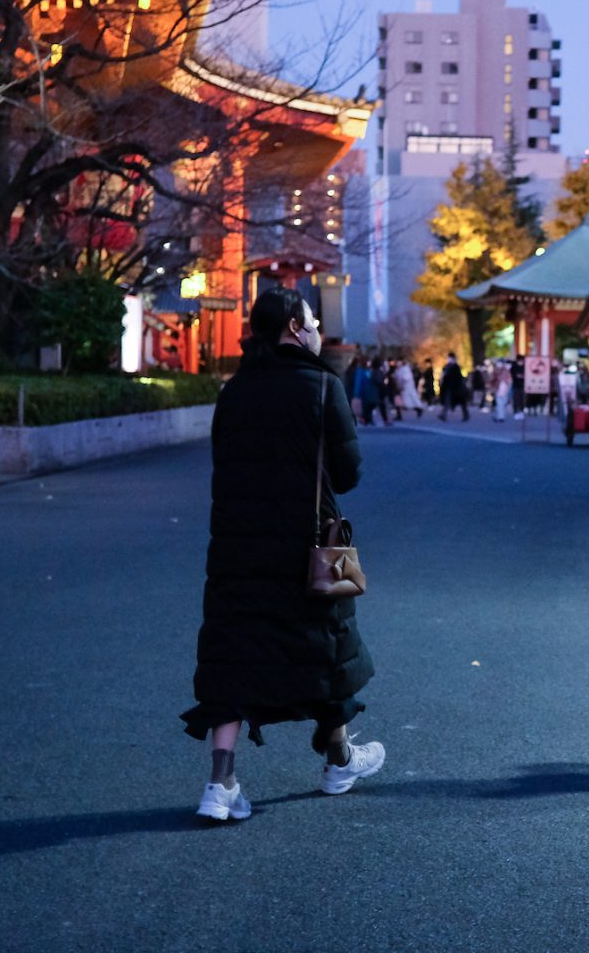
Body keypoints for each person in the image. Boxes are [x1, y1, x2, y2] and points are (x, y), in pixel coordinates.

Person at [182, 288, 383, 821]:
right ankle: (339, 760)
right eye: (312, 321)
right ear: (294, 326)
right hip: (307, 544)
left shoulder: (234, 391)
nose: (318, 330)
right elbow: (348, 474)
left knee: (234, 656)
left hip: (238, 547)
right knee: (326, 649)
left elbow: (225, 467)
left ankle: (220, 782)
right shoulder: (322, 386)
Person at [439, 352, 469, 421]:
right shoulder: (447, 367)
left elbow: (458, 378)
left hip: (457, 388)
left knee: (461, 402)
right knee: (447, 400)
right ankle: (443, 414)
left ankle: (465, 415)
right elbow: (444, 377)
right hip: (449, 387)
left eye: (450, 358)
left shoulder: (455, 367)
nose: (449, 360)